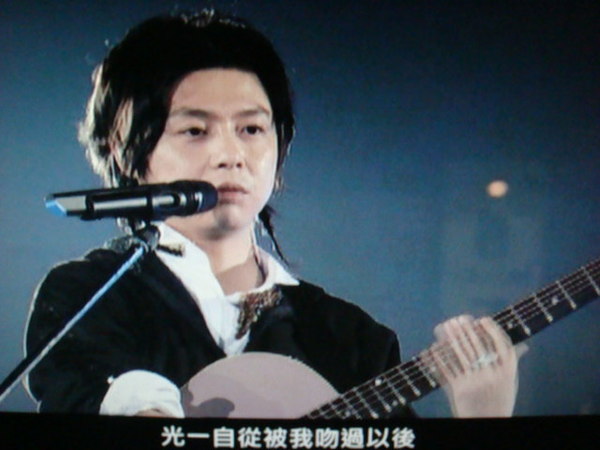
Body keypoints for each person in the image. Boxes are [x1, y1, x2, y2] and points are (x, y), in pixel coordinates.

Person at [24, 10, 521, 418]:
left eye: (252, 130)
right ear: (124, 148)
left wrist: (484, 418)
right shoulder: (86, 296)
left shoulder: (351, 337)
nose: (231, 156)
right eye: (195, 131)